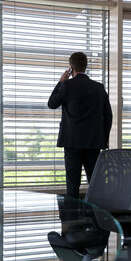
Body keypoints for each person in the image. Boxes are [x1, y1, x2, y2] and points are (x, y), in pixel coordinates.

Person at [48, 52, 112, 198]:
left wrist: (60, 82)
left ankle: (72, 219)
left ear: (71, 68)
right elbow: (108, 116)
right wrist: (104, 139)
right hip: (94, 143)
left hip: (72, 143)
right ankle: (97, 219)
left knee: (72, 184)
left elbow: (51, 104)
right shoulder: (99, 88)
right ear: (86, 66)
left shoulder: (67, 86)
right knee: (96, 184)